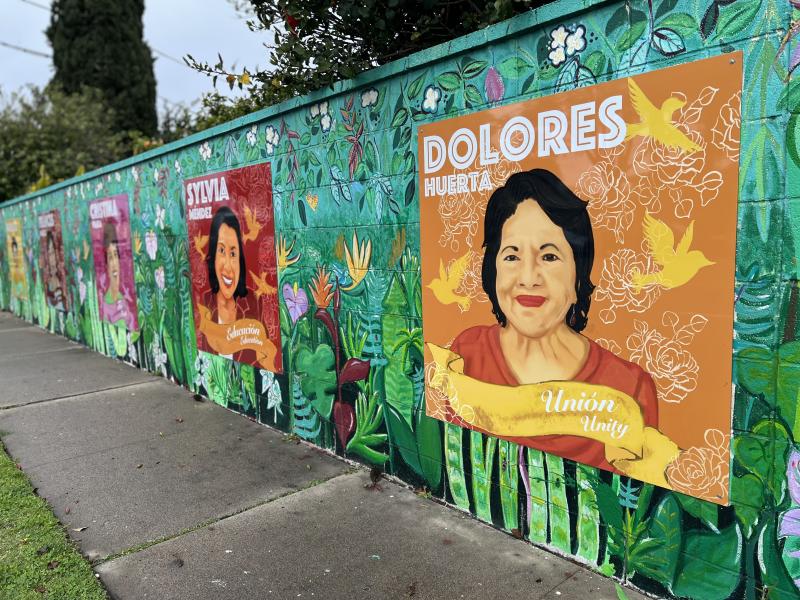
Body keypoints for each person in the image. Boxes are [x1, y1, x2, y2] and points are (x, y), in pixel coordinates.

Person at [450, 168, 658, 472]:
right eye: (511, 256)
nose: (529, 278)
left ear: (578, 274)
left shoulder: (630, 388)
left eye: (549, 257)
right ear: (492, 271)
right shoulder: (466, 353)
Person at [205, 206, 249, 326]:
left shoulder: (254, 304)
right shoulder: (203, 305)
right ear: (213, 256)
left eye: (233, 254)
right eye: (222, 251)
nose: (228, 267)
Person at [101, 220, 130, 327]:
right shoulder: (105, 304)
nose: (113, 263)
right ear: (106, 265)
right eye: (110, 257)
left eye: (115, 255)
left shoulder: (125, 300)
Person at [44, 231, 65, 310]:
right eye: (49, 254)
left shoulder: (61, 276)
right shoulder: (48, 280)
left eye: (53, 253)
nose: (51, 258)